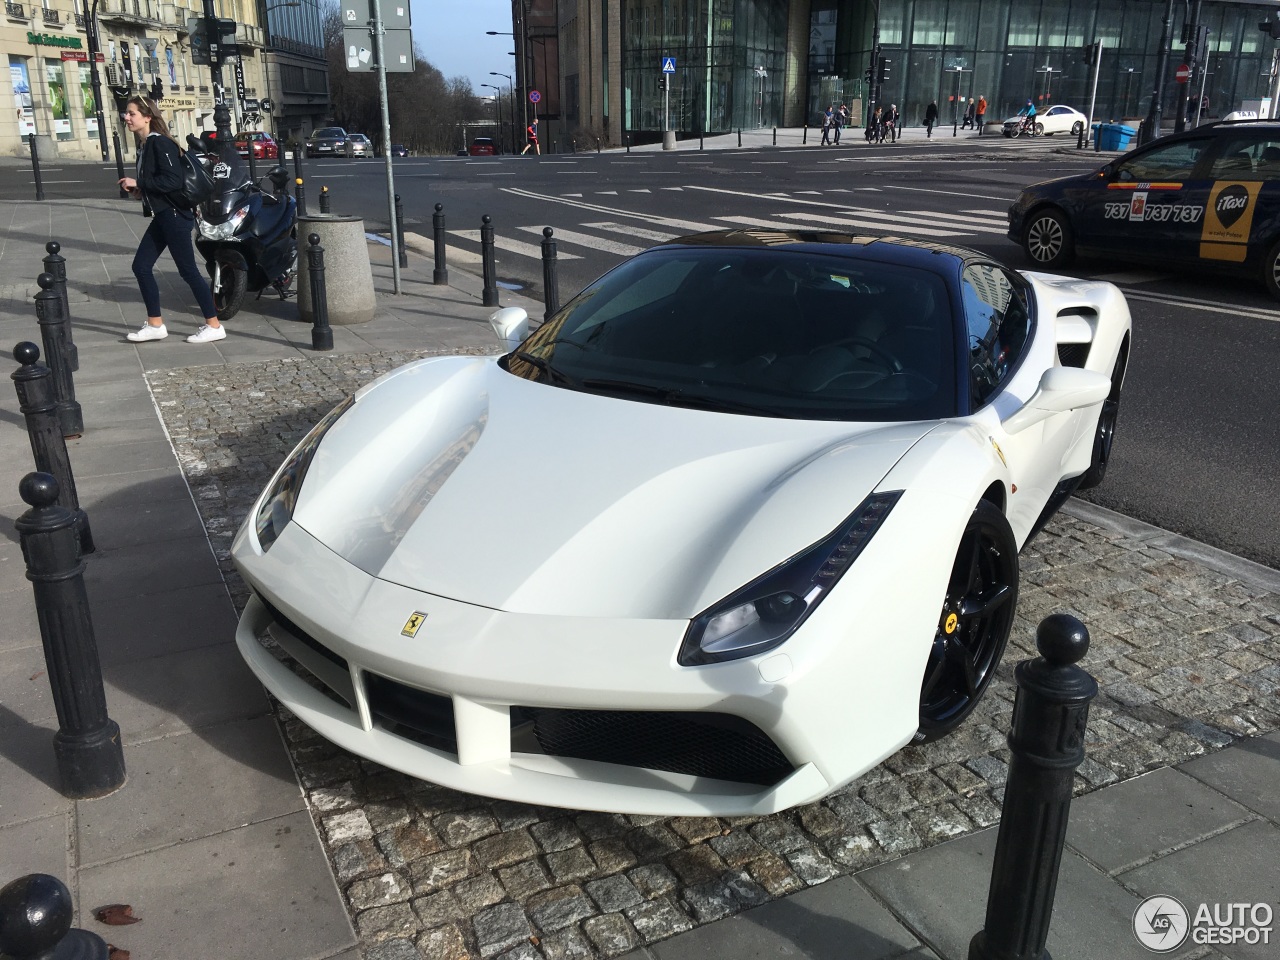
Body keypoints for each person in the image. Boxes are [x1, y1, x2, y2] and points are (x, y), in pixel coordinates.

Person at [116, 96, 223, 344]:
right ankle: (155, 324)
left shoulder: (159, 143)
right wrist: (141, 191)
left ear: (147, 117)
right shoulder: (146, 145)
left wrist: (139, 182)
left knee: (188, 272)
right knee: (141, 266)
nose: (127, 118)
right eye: (126, 114)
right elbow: (161, 183)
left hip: (175, 216)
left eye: (132, 113)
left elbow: (173, 181)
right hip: (164, 216)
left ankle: (214, 325)